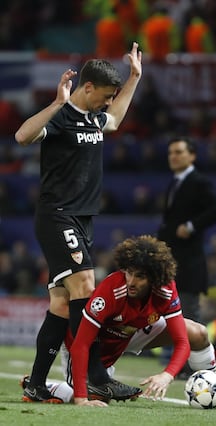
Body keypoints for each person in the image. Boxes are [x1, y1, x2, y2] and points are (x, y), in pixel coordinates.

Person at [15, 42, 142, 402]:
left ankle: (37, 384)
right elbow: (21, 136)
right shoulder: (61, 117)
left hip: (83, 219)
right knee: (86, 284)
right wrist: (56, 104)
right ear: (87, 88)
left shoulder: (95, 119)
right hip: (58, 215)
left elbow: (114, 119)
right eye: (104, 95)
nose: (107, 102)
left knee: (60, 303)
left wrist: (134, 77)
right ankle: (97, 374)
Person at [65, 235, 216, 409]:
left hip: (132, 332)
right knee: (94, 398)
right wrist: (81, 399)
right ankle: (44, 385)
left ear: (154, 278)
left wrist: (167, 375)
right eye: (129, 272)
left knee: (198, 333)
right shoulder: (111, 289)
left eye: (140, 276)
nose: (131, 281)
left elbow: (182, 341)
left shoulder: (164, 290)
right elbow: (81, 344)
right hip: (98, 344)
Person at [157, 137, 216, 323]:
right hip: (173, 261)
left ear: (192, 156)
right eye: (171, 153)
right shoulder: (175, 182)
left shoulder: (198, 182)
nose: (173, 157)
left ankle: (196, 353)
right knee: (172, 316)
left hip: (189, 263)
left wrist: (191, 226)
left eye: (179, 152)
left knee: (188, 317)